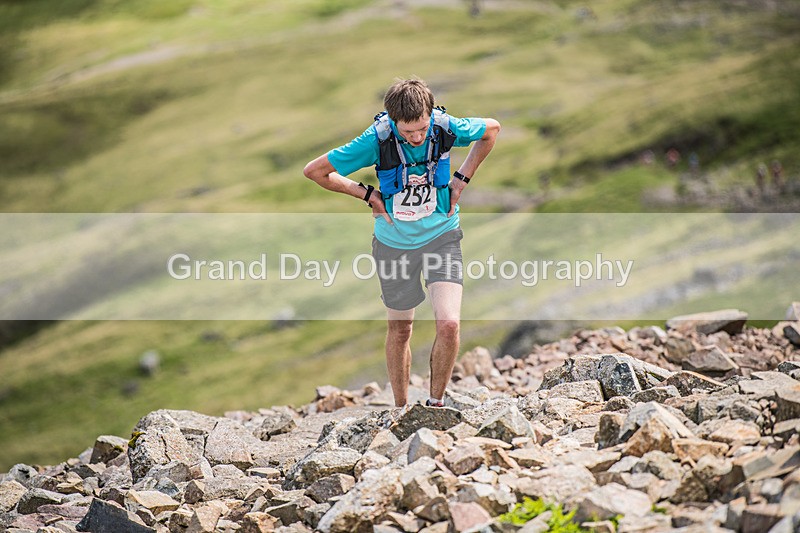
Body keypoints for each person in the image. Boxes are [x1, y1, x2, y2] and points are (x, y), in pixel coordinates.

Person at [303, 78, 500, 409]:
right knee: (400, 330)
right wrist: (366, 194)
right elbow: (315, 171)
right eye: (408, 132)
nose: (418, 137)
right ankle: (400, 408)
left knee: (449, 324)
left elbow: (492, 130)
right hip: (394, 244)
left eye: (422, 128)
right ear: (393, 122)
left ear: (429, 115)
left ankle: (435, 405)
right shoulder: (375, 140)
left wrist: (462, 179)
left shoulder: (444, 127)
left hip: (442, 235)